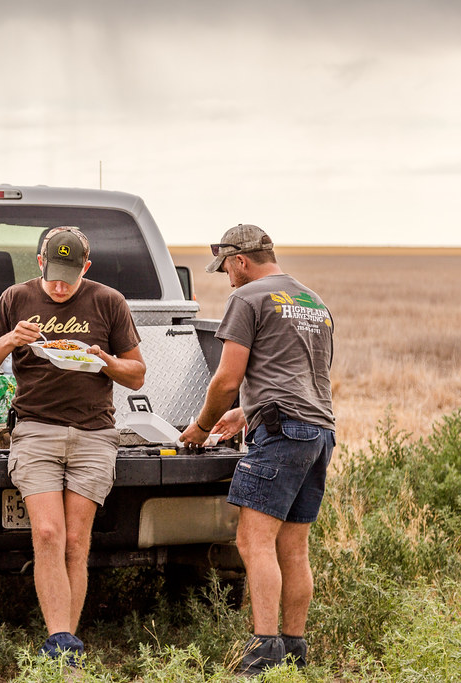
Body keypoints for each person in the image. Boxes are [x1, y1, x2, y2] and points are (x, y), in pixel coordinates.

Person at [0, 226, 146, 665]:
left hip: (94, 434)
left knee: (76, 541)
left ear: (86, 266)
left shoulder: (109, 301)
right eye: (53, 273)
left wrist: (105, 360)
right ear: (40, 263)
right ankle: (60, 639)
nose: (61, 284)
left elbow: (137, 373)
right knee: (47, 533)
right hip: (36, 431)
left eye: (71, 274)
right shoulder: (16, 298)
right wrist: (11, 339)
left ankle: (65, 647)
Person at [179, 224, 335, 675]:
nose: (226, 277)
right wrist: (245, 414)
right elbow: (304, 377)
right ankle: (294, 649)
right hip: (318, 431)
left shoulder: (247, 299)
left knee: (253, 540)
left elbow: (227, 378)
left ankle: (263, 651)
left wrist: (201, 425)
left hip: (282, 434)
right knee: (295, 548)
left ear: (242, 260)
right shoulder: (313, 302)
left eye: (227, 267)